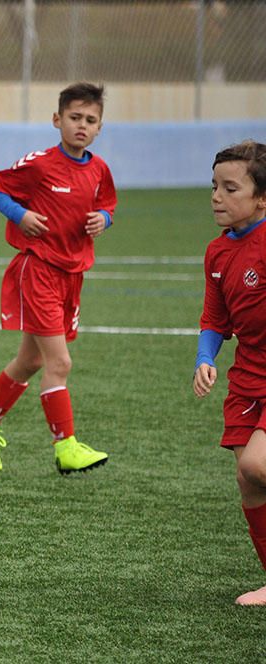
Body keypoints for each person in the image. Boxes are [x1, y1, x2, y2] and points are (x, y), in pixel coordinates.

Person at [0, 82, 117, 474]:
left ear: (99, 127)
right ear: (57, 119)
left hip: (72, 275)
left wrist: (105, 219)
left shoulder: (99, 170)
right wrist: (21, 215)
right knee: (59, 362)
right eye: (74, 117)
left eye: (90, 120)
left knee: (30, 359)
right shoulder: (40, 164)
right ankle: (65, 447)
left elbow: (107, 203)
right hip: (40, 270)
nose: (82, 125)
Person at [193, 141, 266, 606]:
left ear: (262, 197)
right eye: (214, 186)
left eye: (230, 187)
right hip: (246, 379)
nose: (217, 196)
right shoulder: (217, 253)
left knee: (257, 463)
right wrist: (206, 357)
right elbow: (215, 320)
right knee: (249, 479)